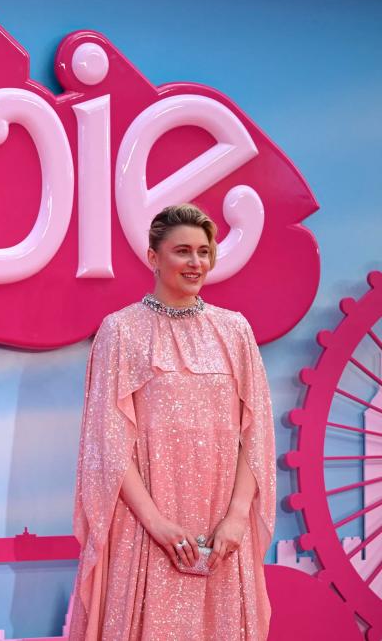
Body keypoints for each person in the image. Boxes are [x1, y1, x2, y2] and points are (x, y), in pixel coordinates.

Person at [69, 204, 276, 640]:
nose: (196, 262)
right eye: (183, 251)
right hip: (146, 527)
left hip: (221, 531)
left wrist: (237, 517)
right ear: (153, 257)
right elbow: (107, 443)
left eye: (204, 251)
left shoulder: (235, 331)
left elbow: (254, 437)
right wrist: (156, 522)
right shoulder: (120, 331)